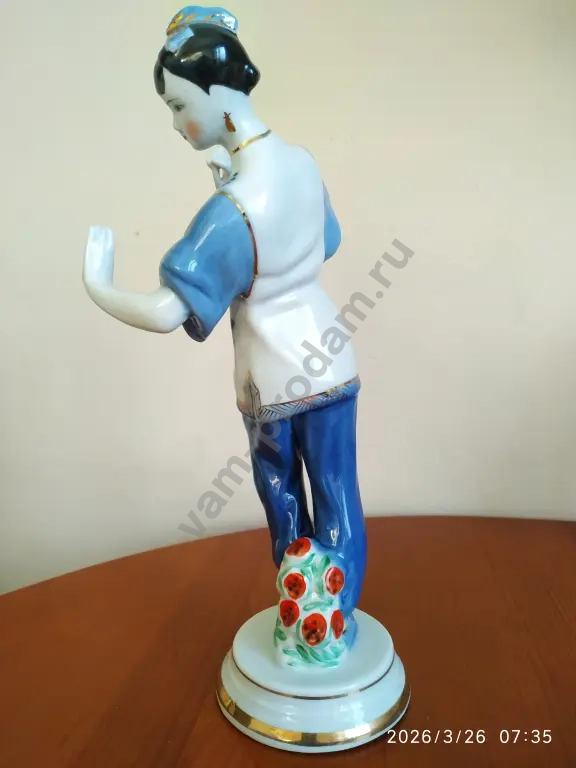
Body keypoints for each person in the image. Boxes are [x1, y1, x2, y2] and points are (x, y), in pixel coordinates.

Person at [84, 5, 366, 630]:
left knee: (284, 500)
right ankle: (333, 619)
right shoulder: (302, 162)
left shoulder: (228, 211)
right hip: (331, 357)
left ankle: (305, 622)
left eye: (178, 105)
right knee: (339, 494)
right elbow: (329, 241)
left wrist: (99, 286)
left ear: (216, 92)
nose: (177, 123)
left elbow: (166, 313)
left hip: (273, 381)